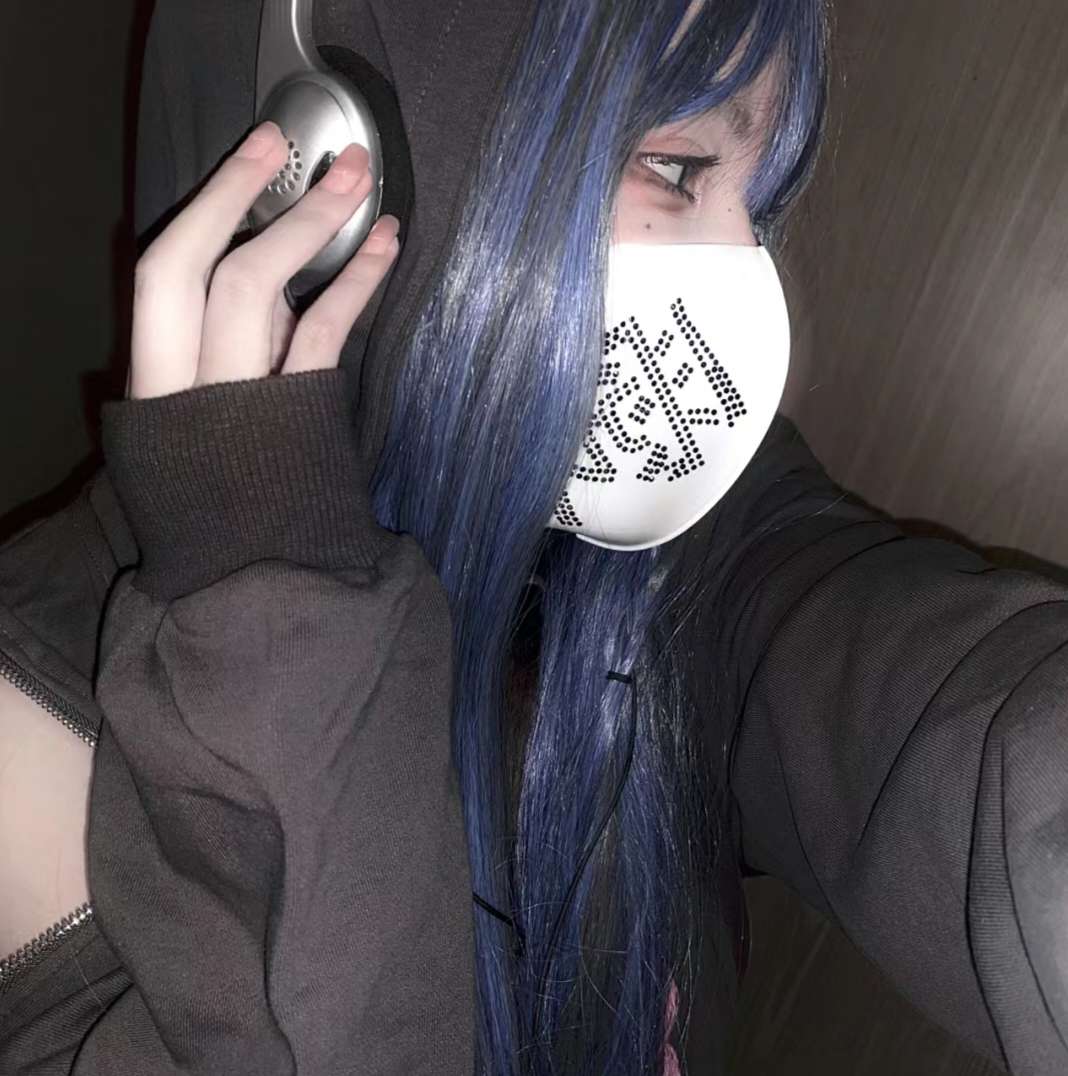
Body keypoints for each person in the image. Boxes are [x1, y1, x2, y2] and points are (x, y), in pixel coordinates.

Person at [1, 1, 1065, 1073]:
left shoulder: (661, 551)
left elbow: (953, 717)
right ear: (324, 166)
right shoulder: (30, 741)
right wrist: (266, 618)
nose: (752, 279)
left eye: (761, 205)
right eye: (679, 171)